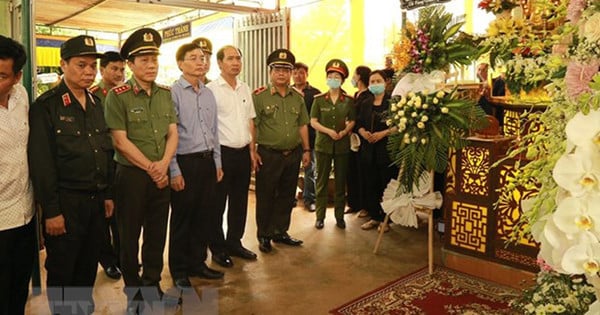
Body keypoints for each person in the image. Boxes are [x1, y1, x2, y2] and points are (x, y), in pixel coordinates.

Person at [29, 35, 113, 314]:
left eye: (92, 66)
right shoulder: (46, 106)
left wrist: (108, 195)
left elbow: (104, 151)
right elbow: (42, 164)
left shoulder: (96, 102)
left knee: (88, 263)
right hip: (65, 203)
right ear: (63, 64)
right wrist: (51, 211)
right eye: (80, 65)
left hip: (95, 202)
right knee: (64, 267)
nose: (88, 72)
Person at [104, 28, 178, 314]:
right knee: (129, 235)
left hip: (160, 174)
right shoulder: (118, 96)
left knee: (157, 233)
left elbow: (172, 133)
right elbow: (120, 142)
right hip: (132, 176)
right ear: (131, 65)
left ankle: (152, 283)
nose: (151, 65)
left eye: (154, 60)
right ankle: (133, 291)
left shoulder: (165, 94)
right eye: (144, 60)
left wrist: (163, 166)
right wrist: (151, 167)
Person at [169, 43, 225, 290]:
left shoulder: (208, 93)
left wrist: (217, 162)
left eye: (203, 58)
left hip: (207, 161)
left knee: (205, 216)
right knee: (183, 218)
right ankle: (179, 270)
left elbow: (214, 131)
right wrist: (174, 170)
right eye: (193, 58)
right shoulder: (173, 93)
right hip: (185, 162)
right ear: (181, 63)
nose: (201, 62)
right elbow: (168, 136)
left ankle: (198, 263)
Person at [253, 48, 310, 253]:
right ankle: (264, 235)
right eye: (277, 69)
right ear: (270, 71)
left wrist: (306, 150)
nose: (281, 73)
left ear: (290, 73)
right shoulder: (260, 96)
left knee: (287, 195)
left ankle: (280, 232)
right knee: (266, 195)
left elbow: (302, 124)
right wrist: (253, 150)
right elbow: (253, 125)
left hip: (292, 154)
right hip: (268, 154)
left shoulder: (297, 97)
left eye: (286, 70)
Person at [206, 45, 258, 267]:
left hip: (243, 153)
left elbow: (250, 121)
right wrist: (215, 160)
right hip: (221, 154)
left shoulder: (245, 88)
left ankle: (234, 242)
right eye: (230, 59)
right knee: (217, 203)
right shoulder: (211, 90)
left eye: (238, 58)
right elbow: (208, 127)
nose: (235, 62)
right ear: (219, 63)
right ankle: (217, 248)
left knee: (240, 201)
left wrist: (252, 151)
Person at [0, 35, 35, 315]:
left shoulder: (21, 96)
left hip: (24, 213)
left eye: (1, 75)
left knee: (19, 287)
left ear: (17, 76)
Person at [90, 50, 125, 281]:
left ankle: (124, 257)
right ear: (102, 70)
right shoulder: (94, 95)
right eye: (114, 69)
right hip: (103, 162)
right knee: (104, 215)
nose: (119, 74)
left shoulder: (127, 94)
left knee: (123, 214)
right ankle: (108, 260)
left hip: (123, 161)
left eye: (122, 69)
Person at [310, 59, 355, 229]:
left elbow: (352, 120)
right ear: (326, 78)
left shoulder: (348, 100)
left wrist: (344, 132)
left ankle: (339, 216)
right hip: (323, 145)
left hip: (342, 146)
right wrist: (328, 131)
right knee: (321, 181)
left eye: (337, 76)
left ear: (342, 80)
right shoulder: (319, 100)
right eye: (331, 76)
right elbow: (313, 121)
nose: (333, 79)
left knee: (340, 181)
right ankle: (320, 216)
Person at [356, 70, 398, 232]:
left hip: (386, 150)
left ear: (385, 82)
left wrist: (384, 133)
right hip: (368, 149)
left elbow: (400, 124)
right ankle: (374, 217)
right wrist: (363, 133)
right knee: (370, 184)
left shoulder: (393, 103)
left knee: (386, 185)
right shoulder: (365, 102)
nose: (374, 84)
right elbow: (358, 122)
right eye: (372, 82)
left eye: (377, 81)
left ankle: (386, 220)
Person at [292, 62, 321, 212]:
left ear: (307, 74)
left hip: (310, 138)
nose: (298, 75)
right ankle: (290, 198)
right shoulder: (287, 91)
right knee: (291, 169)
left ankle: (310, 199)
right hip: (291, 138)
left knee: (310, 169)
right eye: (295, 72)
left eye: (301, 72)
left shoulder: (315, 93)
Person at [345, 65, 371, 216]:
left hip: (362, 139)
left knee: (362, 173)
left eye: (354, 75)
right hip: (351, 140)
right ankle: (353, 203)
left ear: (360, 76)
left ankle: (365, 206)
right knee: (351, 172)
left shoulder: (368, 96)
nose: (352, 78)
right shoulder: (355, 94)